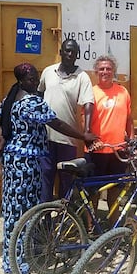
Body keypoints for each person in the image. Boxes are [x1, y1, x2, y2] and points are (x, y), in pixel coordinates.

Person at [0, 63, 97, 274]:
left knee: (13, 209)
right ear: (22, 80)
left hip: (12, 160)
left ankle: (10, 259)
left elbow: (3, 121)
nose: (35, 82)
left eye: (36, 78)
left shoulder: (11, 97)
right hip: (27, 164)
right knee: (27, 210)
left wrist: (4, 139)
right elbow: (56, 123)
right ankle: (22, 260)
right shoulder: (31, 102)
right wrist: (83, 136)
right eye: (31, 79)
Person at [38, 39, 94, 202]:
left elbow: (88, 103)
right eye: (67, 51)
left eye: (74, 52)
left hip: (67, 139)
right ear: (61, 52)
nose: (70, 54)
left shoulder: (82, 77)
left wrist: (87, 131)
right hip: (44, 137)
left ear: (77, 55)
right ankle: (44, 220)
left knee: (66, 181)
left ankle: (64, 221)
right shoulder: (48, 72)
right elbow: (39, 94)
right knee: (45, 179)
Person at [85, 55, 134, 227]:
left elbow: (129, 119)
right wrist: (90, 142)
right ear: (96, 72)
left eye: (108, 68)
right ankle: (90, 228)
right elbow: (83, 121)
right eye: (102, 69)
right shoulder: (91, 92)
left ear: (113, 71)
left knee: (115, 190)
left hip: (118, 151)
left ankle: (114, 228)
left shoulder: (123, 92)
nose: (105, 72)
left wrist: (131, 141)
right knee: (94, 192)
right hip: (97, 151)